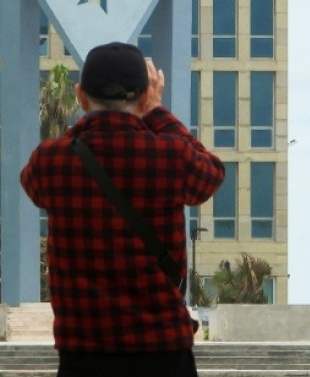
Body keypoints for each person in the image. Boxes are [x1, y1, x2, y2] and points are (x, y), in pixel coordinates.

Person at [20, 42, 225, 377]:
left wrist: (89, 122)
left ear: (80, 96)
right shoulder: (171, 156)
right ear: (145, 97)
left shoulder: (51, 160)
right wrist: (157, 111)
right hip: (163, 352)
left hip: (83, 354)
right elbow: (212, 173)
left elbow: (33, 185)